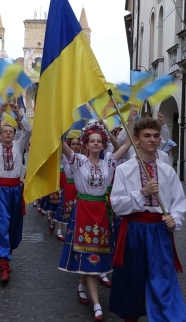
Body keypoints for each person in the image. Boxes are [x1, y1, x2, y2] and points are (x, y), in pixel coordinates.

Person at [108, 117, 186, 322]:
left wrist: (175, 220)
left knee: (163, 280)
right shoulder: (124, 170)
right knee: (131, 279)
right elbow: (117, 205)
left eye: (155, 136)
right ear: (136, 140)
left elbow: (178, 202)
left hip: (159, 230)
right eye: (147, 136)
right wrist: (142, 193)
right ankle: (130, 317)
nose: (152, 140)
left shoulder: (167, 171)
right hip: (133, 230)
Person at [58, 121, 132, 322]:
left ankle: (82, 286)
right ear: (86, 143)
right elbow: (60, 141)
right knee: (88, 252)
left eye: (100, 141)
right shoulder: (78, 161)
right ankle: (97, 304)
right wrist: (57, 122)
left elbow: (126, 145)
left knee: (94, 253)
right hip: (83, 211)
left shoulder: (109, 160)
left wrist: (131, 121)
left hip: (101, 211)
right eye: (93, 141)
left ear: (103, 143)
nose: (96, 144)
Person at [0, 102, 31, 284]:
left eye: (11, 131)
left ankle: (7, 252)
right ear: (0, 135)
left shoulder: (19, 147)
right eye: (5, 131)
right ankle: (4, 265)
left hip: (16, 190)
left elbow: (27, 131)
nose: (9, 133)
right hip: (0, 191)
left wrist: (18, 113)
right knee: (2, 224)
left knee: (14, 226)